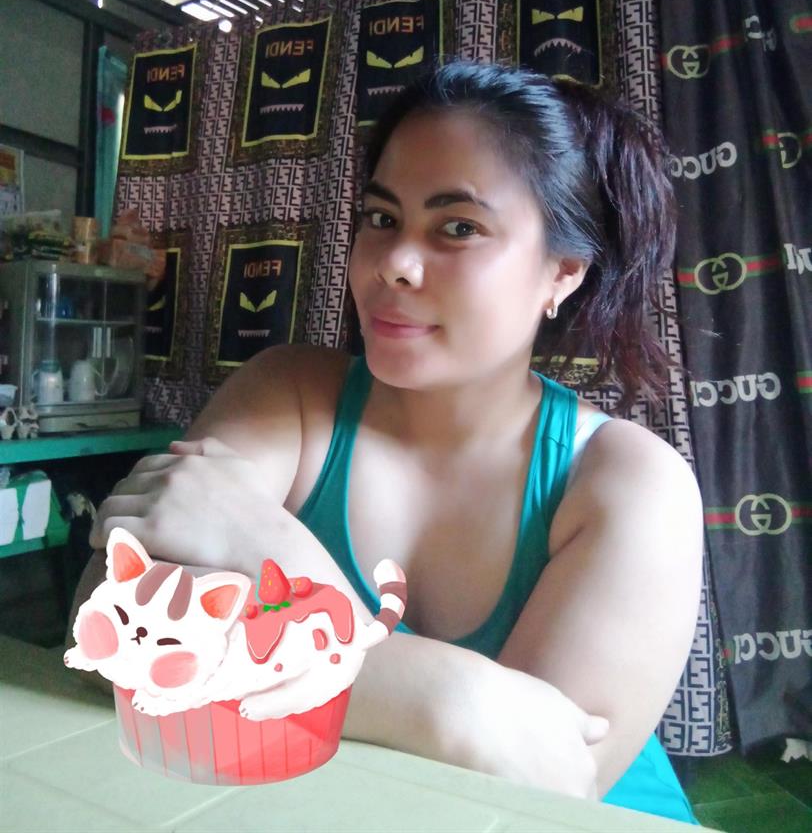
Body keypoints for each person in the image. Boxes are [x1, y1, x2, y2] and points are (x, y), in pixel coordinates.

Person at [73, 61, 703, 822]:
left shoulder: (629, 482)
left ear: (563, 272)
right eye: (381, 218)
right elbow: (112, 625)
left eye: (459, 228)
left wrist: (280, 557)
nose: (394, 265)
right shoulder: (289, 395)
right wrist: (464, 705)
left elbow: (552, 780)